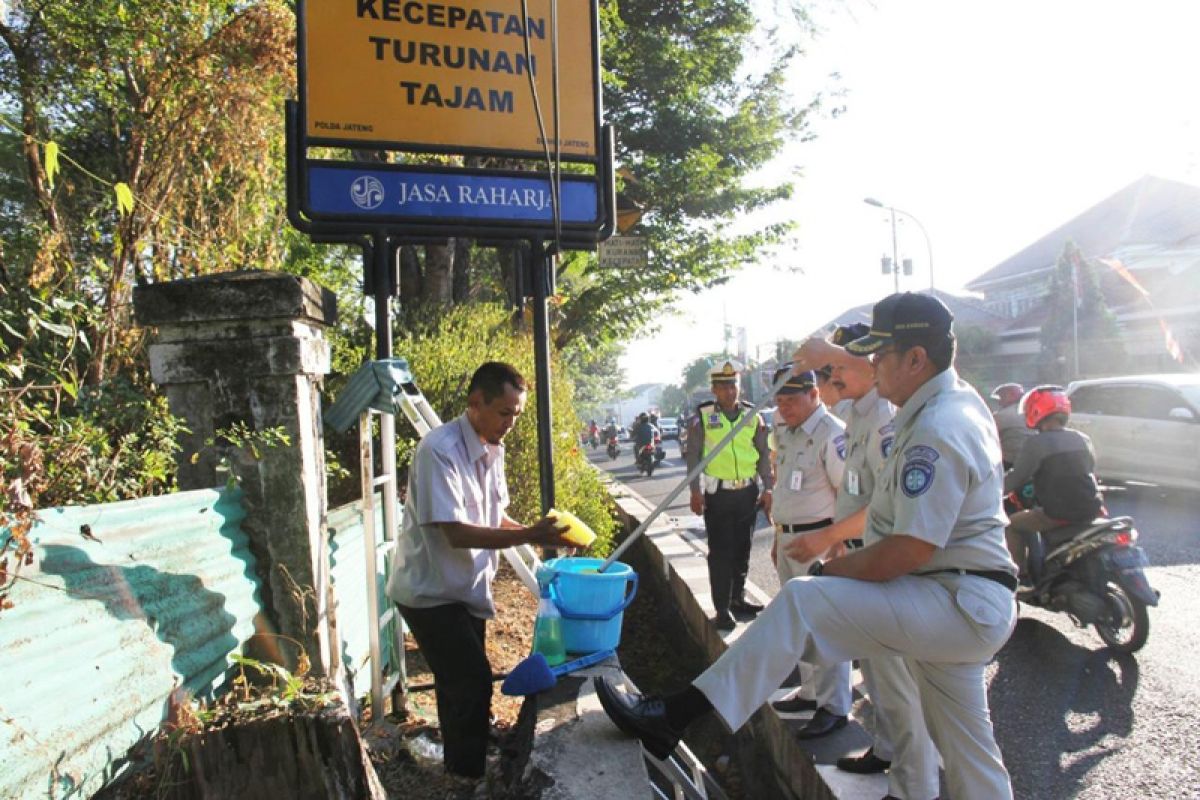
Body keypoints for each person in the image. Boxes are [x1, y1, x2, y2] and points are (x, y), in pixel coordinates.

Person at [597, 293, 1019, 800]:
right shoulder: (949, 403)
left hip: (953, 600)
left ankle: (676, 714)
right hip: (961, 602)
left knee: (803, 600)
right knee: (971, 755)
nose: (871, 368)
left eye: (880, 356)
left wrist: (831, 573)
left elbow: (907, 550)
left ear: (915, 359)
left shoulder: (937, 426)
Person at [386, 361, 572, 779]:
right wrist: (528, 534)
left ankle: (461, 761)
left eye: (517, 415)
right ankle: (468, 774)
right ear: (476, 403)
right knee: (471, 681)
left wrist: (538, 532)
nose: (511, 423)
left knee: (459, 685)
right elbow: (455, 531)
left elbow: (493, 515)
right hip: (429, 592)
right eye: (504, 412)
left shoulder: (492, 447)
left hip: (466, 589)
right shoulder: (440, 450)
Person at [765, 367, 851, 739]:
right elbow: (784, 488)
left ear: (814, 395)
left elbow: (847, 494)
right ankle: (811, 691)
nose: (785, 409)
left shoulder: (832, 435)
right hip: (789, 539)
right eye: (780, 402)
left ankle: (834, 706)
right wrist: (776, 536)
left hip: (821, 540)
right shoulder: (784, 432)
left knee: (828, 624)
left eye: (792, 401)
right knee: (800, 624)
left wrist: (839, 543)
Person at [684, 359, 774, 631]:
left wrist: (768, 487)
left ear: (739, 387)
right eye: (723, 386)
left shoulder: (752, 416)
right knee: (721, 552)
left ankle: (738, 599)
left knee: (743, 549)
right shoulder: (702, 418)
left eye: (733, 385)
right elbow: (693, 457)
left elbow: (762, 456)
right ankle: (722, 608)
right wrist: (695, 491)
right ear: (714, 389)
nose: (729, 391)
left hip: (747, 492)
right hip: (718, 495)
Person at [1003, 385, 1104, 582]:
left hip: (1058, 513)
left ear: (1035, 410)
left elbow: (1017, 478)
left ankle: (1018, 579)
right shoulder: (1082, 438)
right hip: (1092, 508)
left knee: (1011, 525)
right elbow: (1089, 467)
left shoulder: (1037, 443)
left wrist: (992, 490)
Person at [991, 382, 1033, 468]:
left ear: (1011, 395)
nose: (999, 402)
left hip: (1010, 462)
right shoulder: (1031, 411)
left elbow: (985, 433)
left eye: (1001, 397)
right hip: (1033, 460)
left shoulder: (1002, 415)